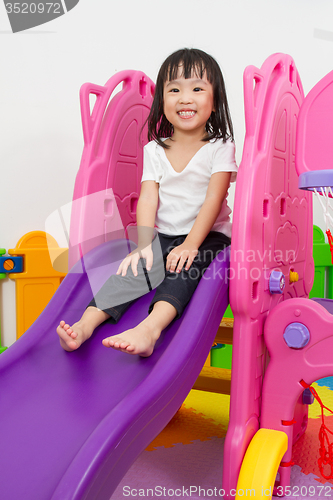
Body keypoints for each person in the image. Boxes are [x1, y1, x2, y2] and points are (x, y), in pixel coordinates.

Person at [57, 48, 238, 357]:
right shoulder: (154, 149)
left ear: (215, 100)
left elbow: (214, 197)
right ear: (162, 100)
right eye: (174, 90)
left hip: (208, 237)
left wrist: (191, 244)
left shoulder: (220, 147)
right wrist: (143, 244)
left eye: (197, 88)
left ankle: (149, 330)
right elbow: (149, 196)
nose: (185, 97)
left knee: (185, 272)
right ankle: (85, 325)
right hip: (165, 235)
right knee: (132, 273)